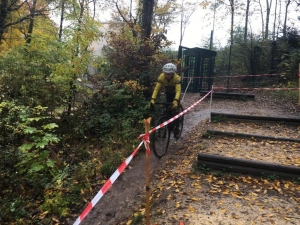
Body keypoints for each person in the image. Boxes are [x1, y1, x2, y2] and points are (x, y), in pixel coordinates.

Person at [149, 63, 181, 135]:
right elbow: (157, 89)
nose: (167, 75)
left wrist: (176, 100)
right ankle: (168, 124)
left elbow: (178, 90)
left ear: (173, 73)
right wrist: (153, 99)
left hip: (175, 94)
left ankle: (177, 126)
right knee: (168, 109)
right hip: (168, 93)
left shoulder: (177, 78)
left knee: (175, 110)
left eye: (169, 74)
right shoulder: (161, 77)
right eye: (166, 74)